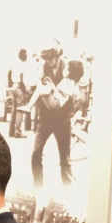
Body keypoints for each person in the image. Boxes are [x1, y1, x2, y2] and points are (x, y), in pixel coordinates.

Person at [29, 41, 71, 187]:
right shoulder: (43, 68)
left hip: (62, 119)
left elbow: (67, 95)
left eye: (51, 58)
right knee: (35, 153)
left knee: (65, 160)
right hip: (46, 119)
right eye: (45, 58)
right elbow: (39, 91)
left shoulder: (67, 69)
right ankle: (38, 188)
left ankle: (68, 190)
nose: (48, 61)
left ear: (57, 55)